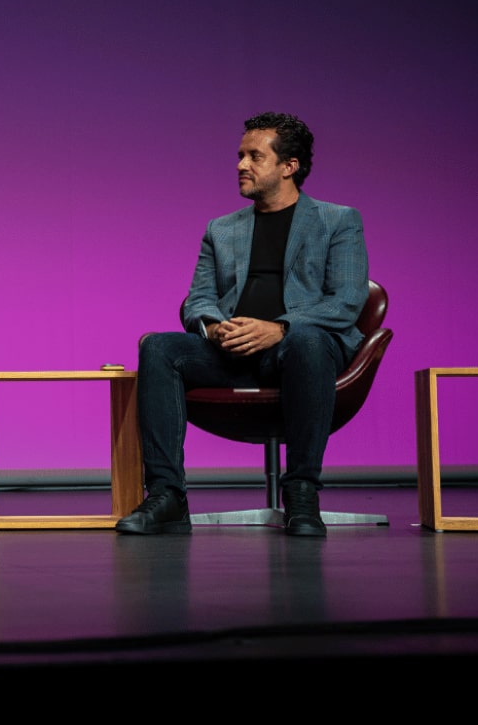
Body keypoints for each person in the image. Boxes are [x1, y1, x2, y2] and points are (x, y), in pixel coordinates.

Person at [117, 112, 369, 538]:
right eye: (240, 155)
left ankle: (302, 493)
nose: (241, 165)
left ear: (289, 166)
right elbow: (198, 299)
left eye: (255, 156)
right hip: (232, 352)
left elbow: (345, 301)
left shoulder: (338, 221)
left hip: (297, 352)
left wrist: (280, 328)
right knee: (158, 347)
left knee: (308, 341)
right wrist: (215, 328)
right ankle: (167, 495)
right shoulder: (221, 229)